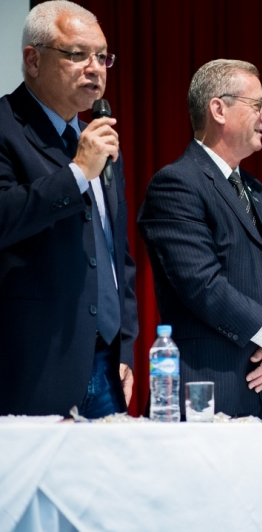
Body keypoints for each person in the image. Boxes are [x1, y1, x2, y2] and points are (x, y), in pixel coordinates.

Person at [137, 59, 262, 421]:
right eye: (258, 105)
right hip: (208, 390)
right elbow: (202, 284)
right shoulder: (177, 183)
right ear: (218, 109)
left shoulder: (258, 192)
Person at [0, 0, 138, 418]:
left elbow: (117, 254)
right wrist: (77, 172)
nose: (95, 69)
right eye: (78, 54)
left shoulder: (98, 139)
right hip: (33, 365)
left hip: (107, 364)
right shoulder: (6, 127)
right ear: (33, 60)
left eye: (103, 56)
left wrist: (125, 345)